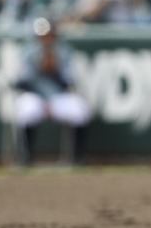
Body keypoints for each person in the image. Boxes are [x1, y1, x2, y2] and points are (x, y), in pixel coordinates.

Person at [12, 17, 93, 165]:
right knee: (27, 110)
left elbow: (70, 81)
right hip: (35, 97)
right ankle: (26, 159)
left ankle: (77, 159)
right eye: (43, 35)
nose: (47, 38)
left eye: (49, 34)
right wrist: (43, 99)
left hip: (57, 97)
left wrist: (54, 70)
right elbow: (21, 83)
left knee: (80, 109)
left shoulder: (64, 51)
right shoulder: (27, 52)